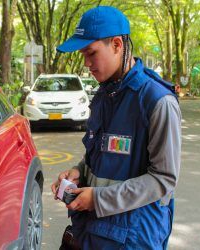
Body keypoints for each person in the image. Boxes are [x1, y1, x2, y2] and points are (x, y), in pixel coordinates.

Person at [51, 6, 181, 249]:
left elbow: (163, 178)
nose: (86, 63)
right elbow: (100, 154)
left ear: (117, 45)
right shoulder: (104, 94)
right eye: (83, 55)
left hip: (134, 239)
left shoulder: (157, 101)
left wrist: (98, 199)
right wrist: (79, 171)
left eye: (91, 53)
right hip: (91, 231)